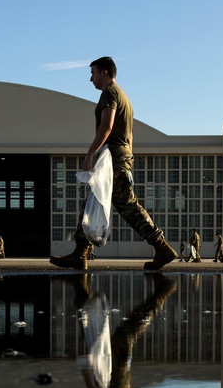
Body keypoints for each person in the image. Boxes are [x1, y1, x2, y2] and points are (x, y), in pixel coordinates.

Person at [51, 57, 177, 271]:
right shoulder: (124, 97)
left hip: (113, 159)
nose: (90, 79)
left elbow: (107, 127)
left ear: (104, 72)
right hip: (120, 158)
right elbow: (130, 136)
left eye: (93, 73)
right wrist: (128, 160)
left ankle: (161, 246)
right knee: (94, 201)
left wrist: (90, 154)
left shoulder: (109, 93)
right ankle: (80, 253)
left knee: (125, 206)